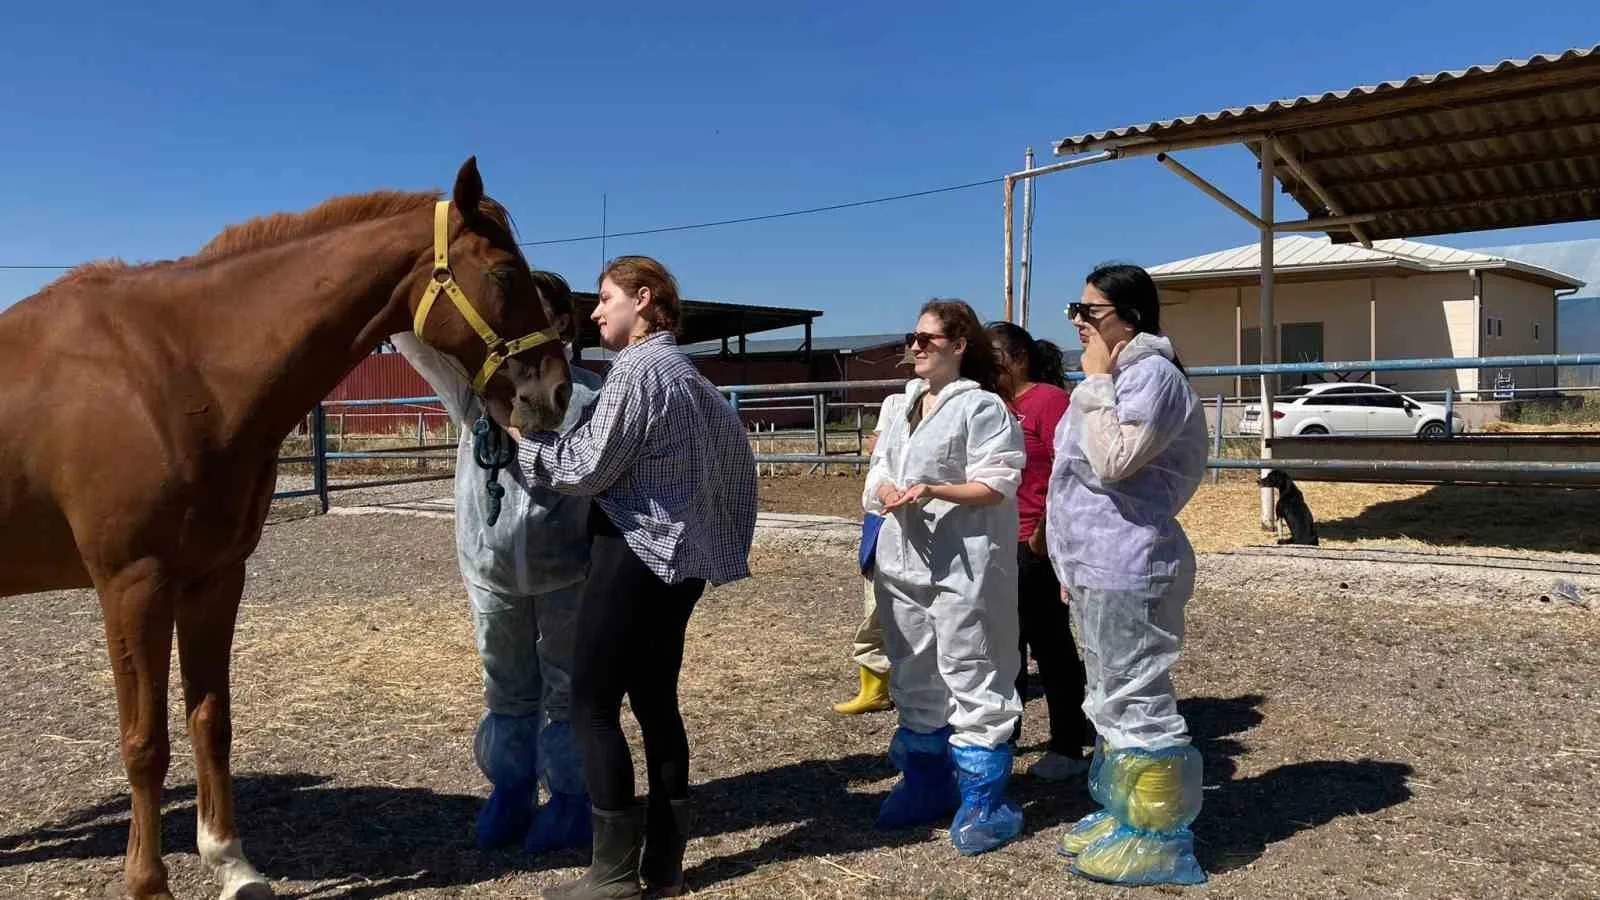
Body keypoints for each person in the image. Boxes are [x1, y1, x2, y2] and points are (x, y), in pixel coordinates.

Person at [507, 256, 758, 900]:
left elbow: (587, 469)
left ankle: (612, 873)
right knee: (655, 703)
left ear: (643, 300)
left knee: (592, 704)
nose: (596, 312)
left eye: (606, 298)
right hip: (679, 563)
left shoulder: (639, 371)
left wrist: (525, 442)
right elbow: (735, 474)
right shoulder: (692, 379)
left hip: (633, 554)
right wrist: (709, 544)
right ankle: (664, 866)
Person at [391, 271, 601, 855]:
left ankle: (570, 798)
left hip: (566, 567)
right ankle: (510, 789)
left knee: (565, 685)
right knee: (505, 684)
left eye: (538, 310)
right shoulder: (474, 393)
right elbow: (412, 342)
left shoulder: (584, 394)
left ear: (561, 323)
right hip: (491, 568)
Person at [1047, 263, 1210, 886]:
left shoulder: (1152, 378)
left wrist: (1092, 388)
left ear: (1129, 317)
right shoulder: (1114, 377)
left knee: (1138, 699)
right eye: (1077, 311)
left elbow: (1114, 461)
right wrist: (1067, 560)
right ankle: (1126, 812)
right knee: (1109, 697)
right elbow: (1074, 482)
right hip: (1095, 565)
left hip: (1130, 563)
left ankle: (1161, 838)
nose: (1078, 324)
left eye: (1089, 312)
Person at [863, 299, 1026, 856]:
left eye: (927, 339)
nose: (915, 347)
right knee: (913, 666)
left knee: (972, 666)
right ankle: (926, 782)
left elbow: (998, 481)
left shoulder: (980, 408)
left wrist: (934, 489)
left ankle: (983, 797)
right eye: (912, 337)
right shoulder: (899, 406)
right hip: (903, 557)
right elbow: (881, 467)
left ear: (958, 345)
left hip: (963, 562)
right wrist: (888, 490)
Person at [986, 321, 1094, 781]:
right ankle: (1004, 736)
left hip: (1034, 542)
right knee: (1003, 645)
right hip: (997, 541)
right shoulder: (994, 406)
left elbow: (1070, 472)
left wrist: (1045, 530)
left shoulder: (1050, 403)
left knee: (1050, 645)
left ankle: (1068, 742)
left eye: (990, 355)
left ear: (1016, 358)